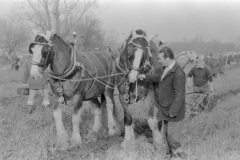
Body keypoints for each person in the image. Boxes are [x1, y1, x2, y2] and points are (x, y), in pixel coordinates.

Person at [137, 47, 187, 159]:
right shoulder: (165, 69)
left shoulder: (178, 73)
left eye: (160, 59)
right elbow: (156, 77)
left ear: (168, 58)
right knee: (166, 134)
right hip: (164, 108)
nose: (158, 61)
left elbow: (179, 95)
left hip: (173, 111)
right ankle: (170, 155)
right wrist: (144, 76)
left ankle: (180, 156)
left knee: (173, 137)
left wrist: (173, 112)